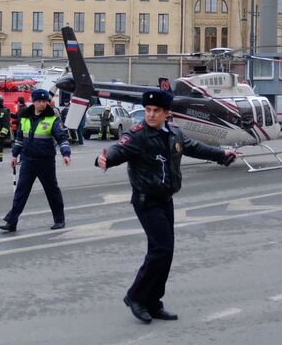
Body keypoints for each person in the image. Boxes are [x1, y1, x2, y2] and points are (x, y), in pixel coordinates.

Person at [94, 90, 238, 324]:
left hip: (165, 199)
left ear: (166, 114)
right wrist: (105, 159)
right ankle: (136, 297)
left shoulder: (174, 133)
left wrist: (222, 154)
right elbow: (119, 149)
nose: (150, 115)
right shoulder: (138, 135)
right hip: (146, 200)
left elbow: (195, 147)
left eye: (156, 111)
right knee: (161, 250)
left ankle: (153, 302)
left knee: (166, 253)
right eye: (148, 110)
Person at [0, 89, 71, 232]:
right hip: (28, 160)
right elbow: (20, 138)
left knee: (52, 191)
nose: (42, 104)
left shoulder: (52, 118)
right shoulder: (25, 117)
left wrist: (66, 154)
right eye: (39, 101)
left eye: (45, 101)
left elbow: (62, 138)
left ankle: (59, 220)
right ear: (34, 101)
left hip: (46, 162)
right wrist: (14, 155)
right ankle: (12, 222)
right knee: (21, 192)